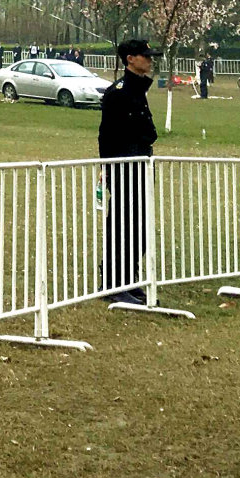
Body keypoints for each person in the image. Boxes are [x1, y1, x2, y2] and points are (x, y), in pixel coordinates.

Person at [98, 37, 158, 307]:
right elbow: (107, 136)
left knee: (140, 224)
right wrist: (108, 168)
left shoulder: (137, 90)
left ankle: (129, 277)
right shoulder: (118, 92)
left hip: (142, 162)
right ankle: (113, 281)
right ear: (130, 59)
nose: (150, 59)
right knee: (122, 224)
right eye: (144, 55)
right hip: (124, 164)